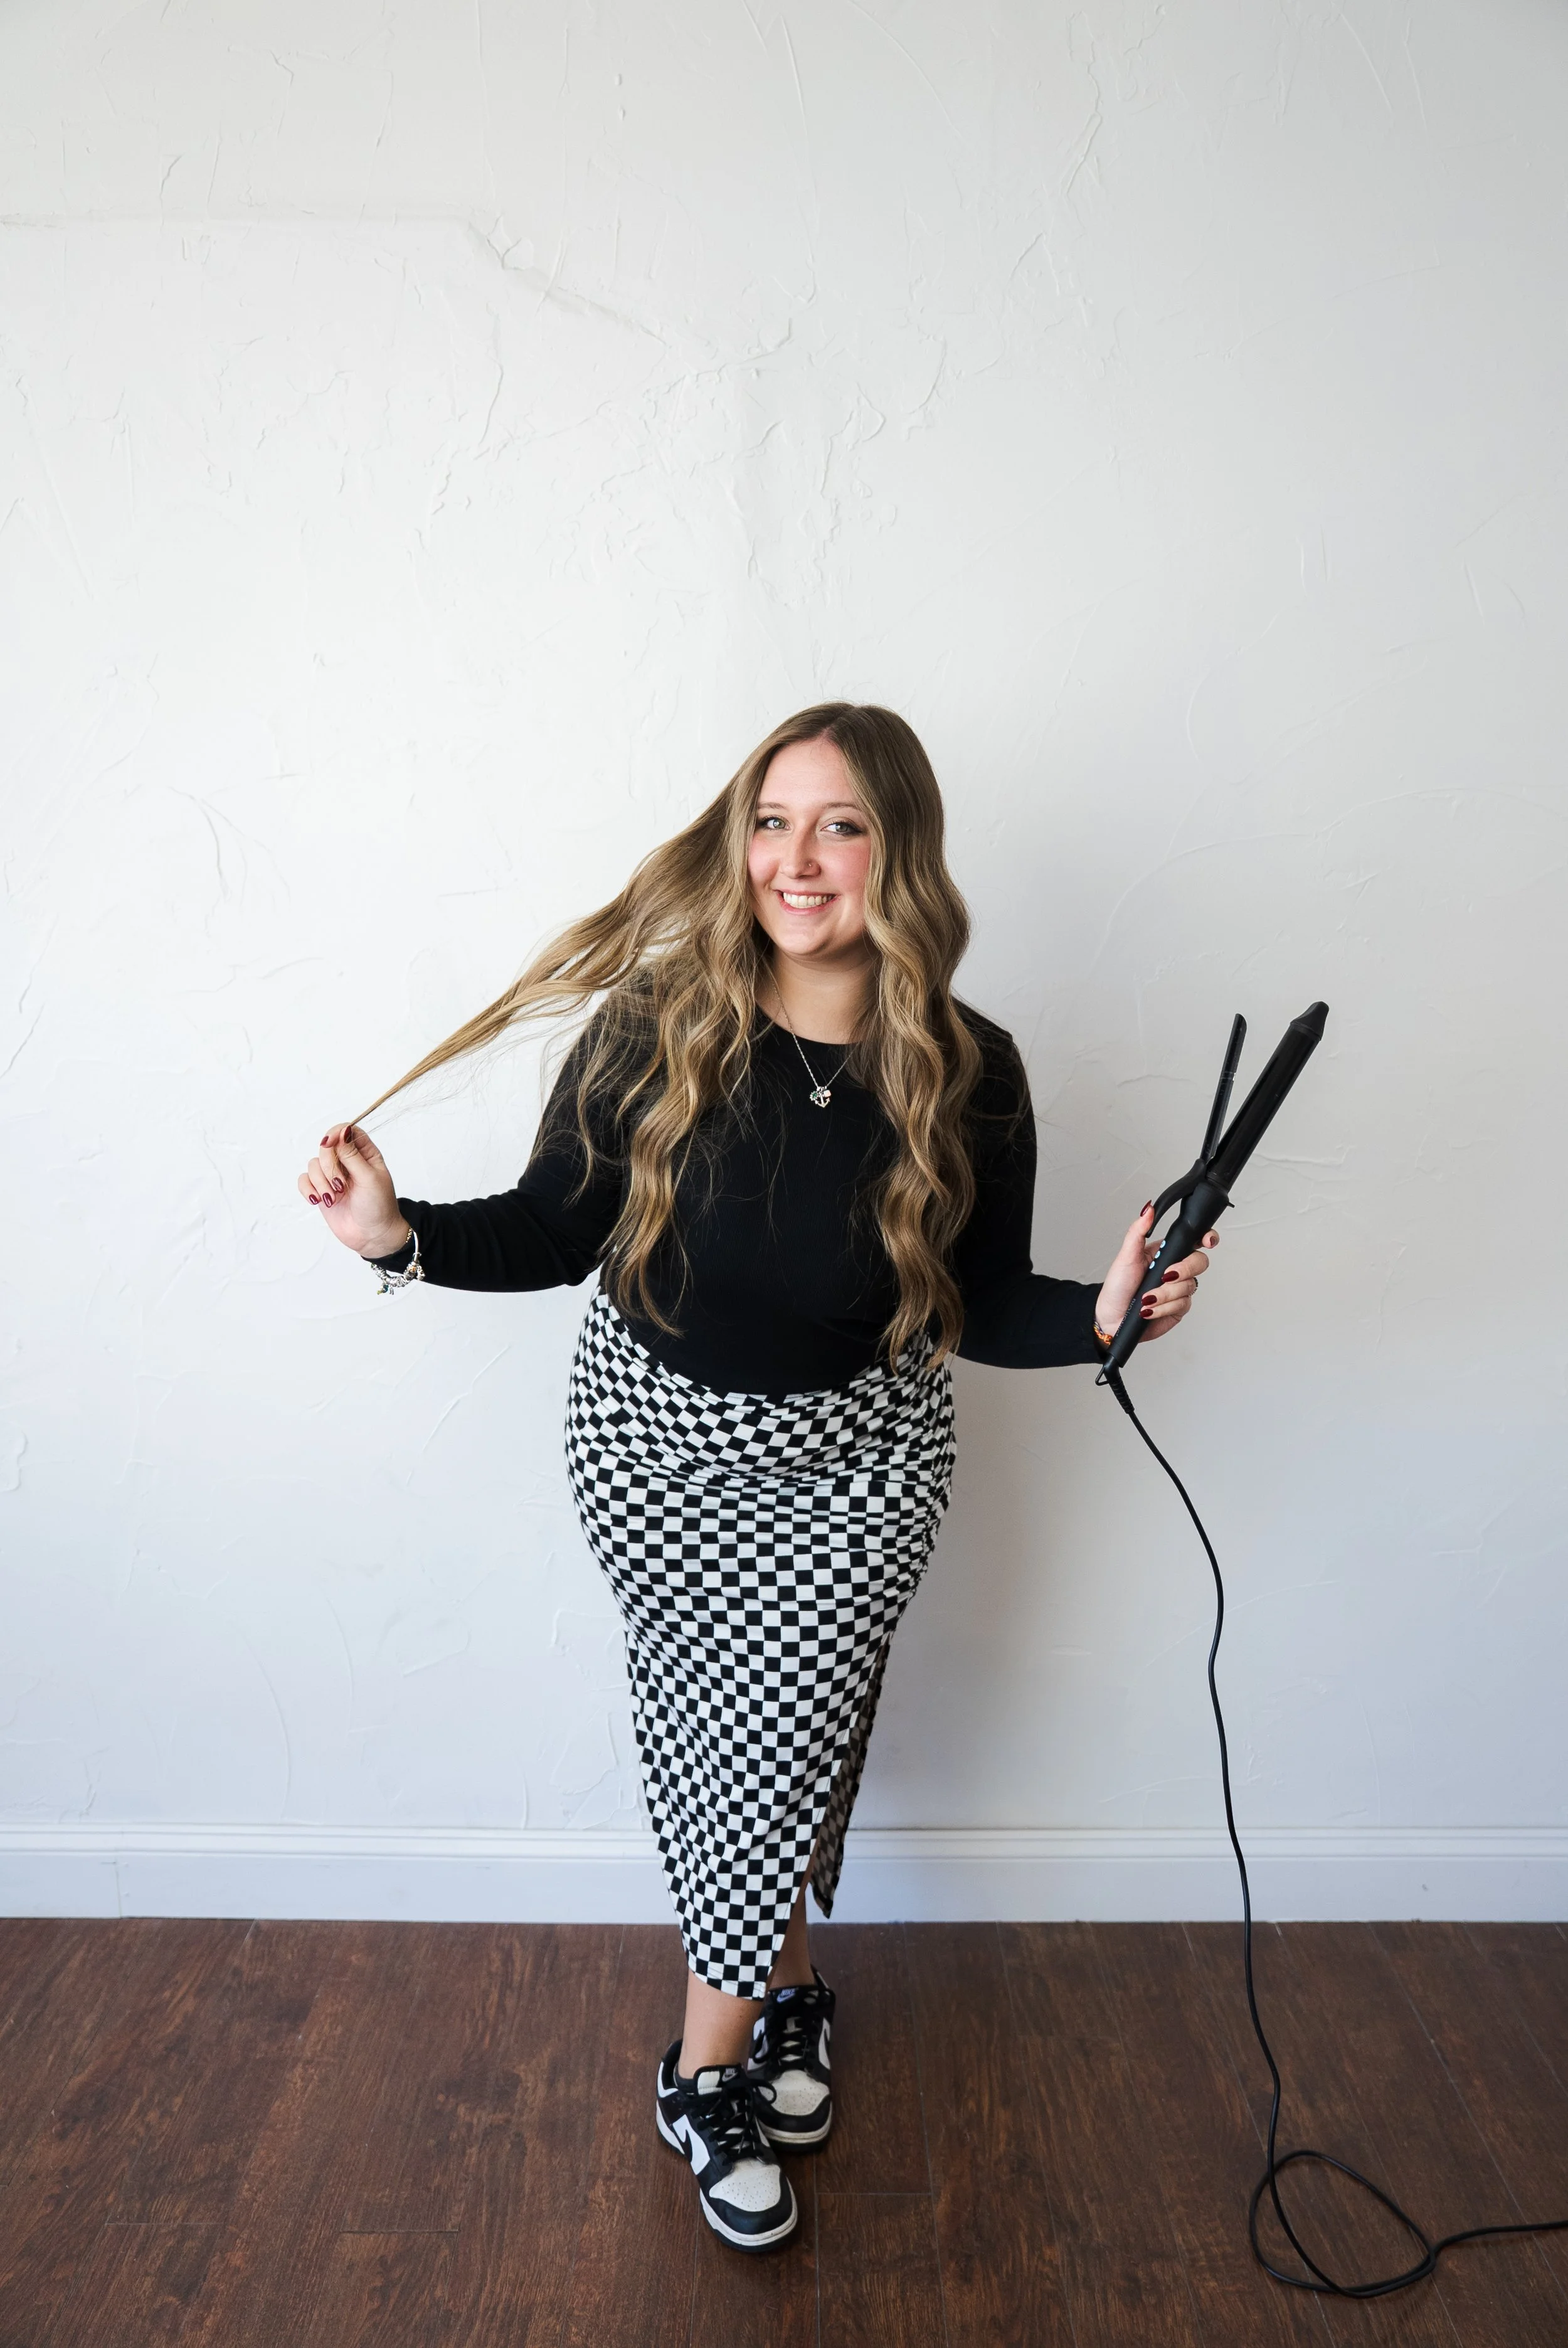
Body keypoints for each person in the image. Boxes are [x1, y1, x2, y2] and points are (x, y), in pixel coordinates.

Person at [297, 703, 1217, 2254]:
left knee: (777, 1729)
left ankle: (699, 2064)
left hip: (865, 1455)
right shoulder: (653, 1025)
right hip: (652, 1444)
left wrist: (1109, 1314)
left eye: (841, 823)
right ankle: (777, 1998)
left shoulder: (972, 1068)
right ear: (739, 841)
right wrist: (398, 1234)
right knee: (736, 1742)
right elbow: (550, 1228)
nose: (798, 858)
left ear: (898, 853)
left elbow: (985, 1303)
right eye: (772, 819)